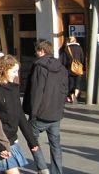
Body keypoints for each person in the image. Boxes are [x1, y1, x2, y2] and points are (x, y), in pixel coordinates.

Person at [0, 54, 39, 174]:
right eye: (14, 71)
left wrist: (32, 140)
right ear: (4, 70)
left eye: (17, 71)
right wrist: (0, 145)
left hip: (12, 140)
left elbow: (20, 116)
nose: (16, 75)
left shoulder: (14, 89)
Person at [23, 40, 68, 174]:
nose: (35, 53)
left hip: (41, 113)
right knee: (55, 145)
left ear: (41, 51)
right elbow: (65, 89)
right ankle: (57, 171)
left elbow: (37, 91)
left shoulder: (39, 67)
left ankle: (42, 167)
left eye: (36, 50)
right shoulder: (61, 67)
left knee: (32, 139)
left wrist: (33, 113)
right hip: (56, 113)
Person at [60, 36, 85, 103]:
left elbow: (63, 61)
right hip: (78, 69)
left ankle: (72, 96)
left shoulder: (66, 49)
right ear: (75, 40)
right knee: (77, 84)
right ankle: (76, 96)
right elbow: (82, 58)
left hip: (69, 69)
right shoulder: (79, 48)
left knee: (71, 83)